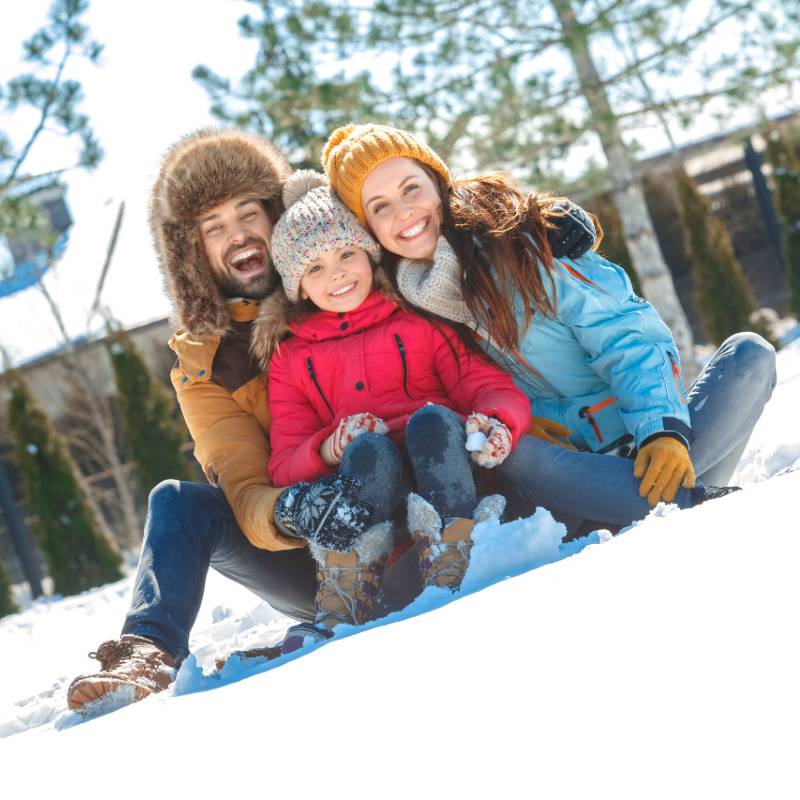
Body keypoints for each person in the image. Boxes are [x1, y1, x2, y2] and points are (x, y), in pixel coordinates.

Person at [65, 128, 593, 714]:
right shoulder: (205, 363)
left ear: (279, 213)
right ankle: (147, 651)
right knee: (177, 501)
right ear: (193, 256)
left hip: (435, 493)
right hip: (326, 552)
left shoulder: (348, 263)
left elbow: (419, 201)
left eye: (248, 211)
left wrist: (535, 218)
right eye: (213, 227)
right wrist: (299, 509)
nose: (238, 233)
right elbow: (244, 486)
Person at [321, 123, 777, 537]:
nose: (403, 212)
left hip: (648, 437)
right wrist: (521, 419)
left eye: (411, 188)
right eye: (380, 207)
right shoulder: (407, 313)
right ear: (368, 230)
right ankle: (695, 504)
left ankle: (644, 505)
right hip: (571, 467)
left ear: (438, 183)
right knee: (516, 453)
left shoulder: (522, 243)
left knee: (750, 354)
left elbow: (626, 335)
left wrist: (661, 431)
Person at [250, 170, 531, 636]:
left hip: (443, 472)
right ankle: (351, 584)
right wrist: (327, 448)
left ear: (370, 254)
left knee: (432, 421)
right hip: (371, 493)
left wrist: (498, 421)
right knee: (367, 451)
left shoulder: (417, 318)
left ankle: (454, 548)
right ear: (297, 286)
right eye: (314, 268)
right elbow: (283, 464)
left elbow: (486, 384)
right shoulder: (291, 358)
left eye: (346, 254)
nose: (336, 273)